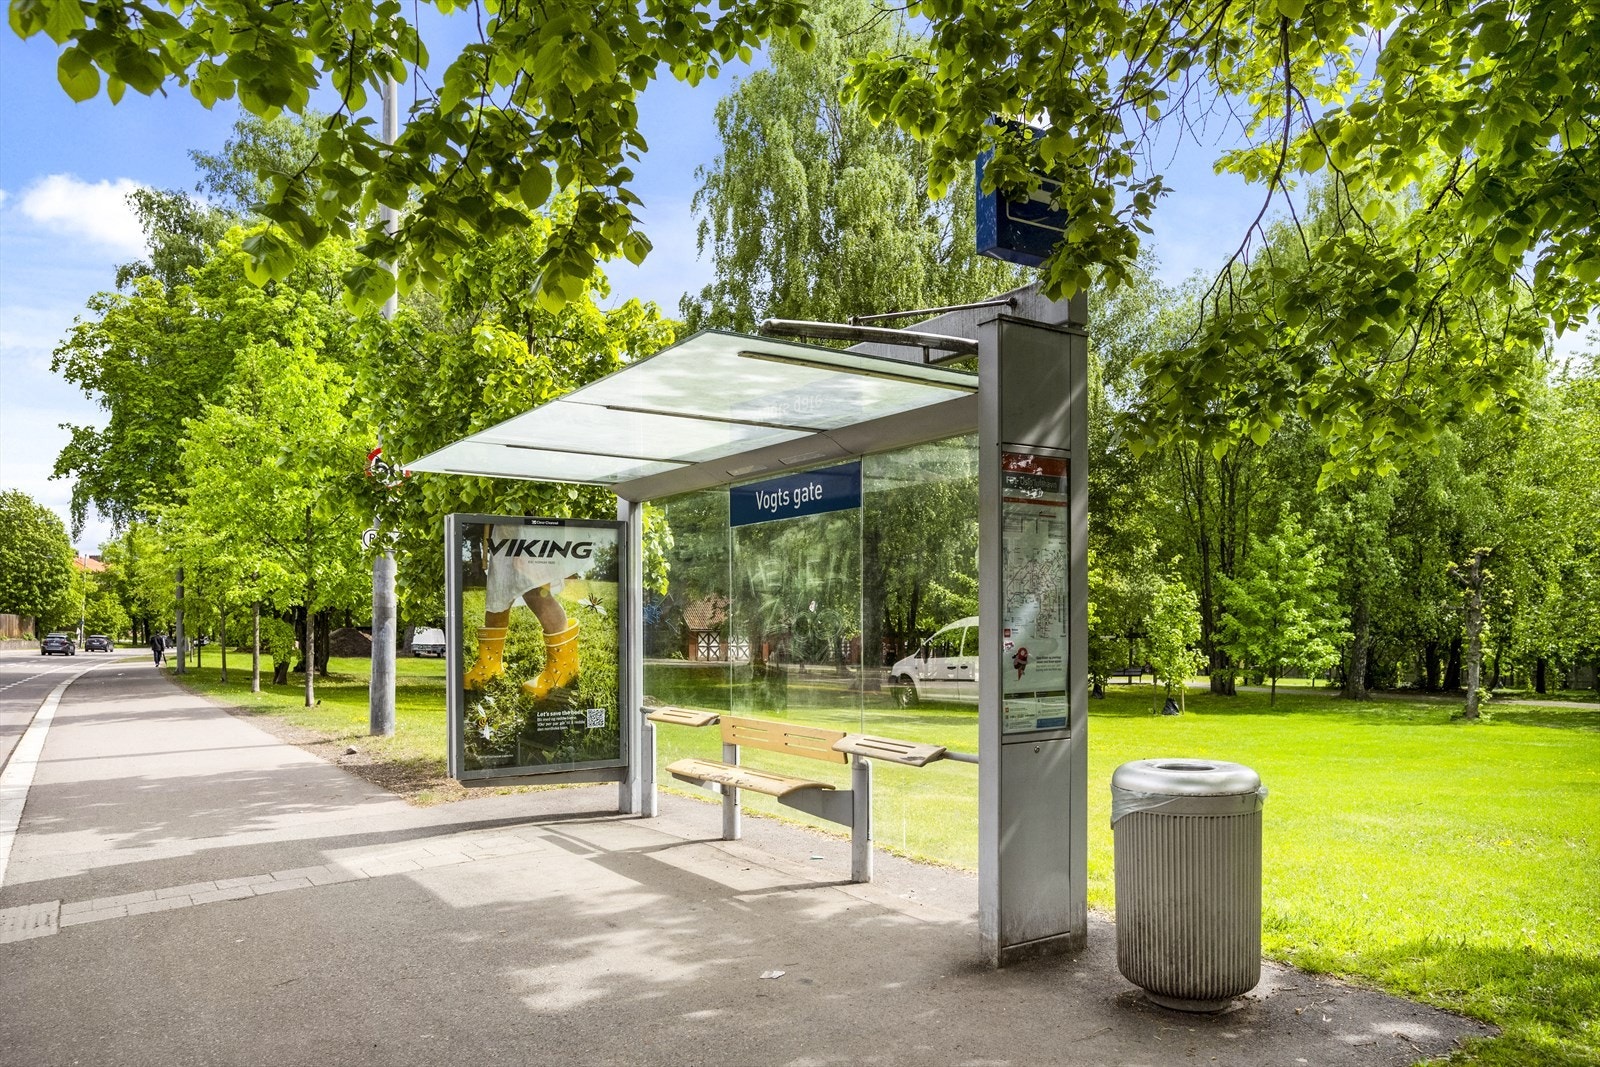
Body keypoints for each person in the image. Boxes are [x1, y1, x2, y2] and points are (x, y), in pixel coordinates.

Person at [463, 524, 584, 698]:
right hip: (505, 526)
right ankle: (490, 666)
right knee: (498, 590)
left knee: (534, 588)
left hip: (530, 523)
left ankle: (565, 668)